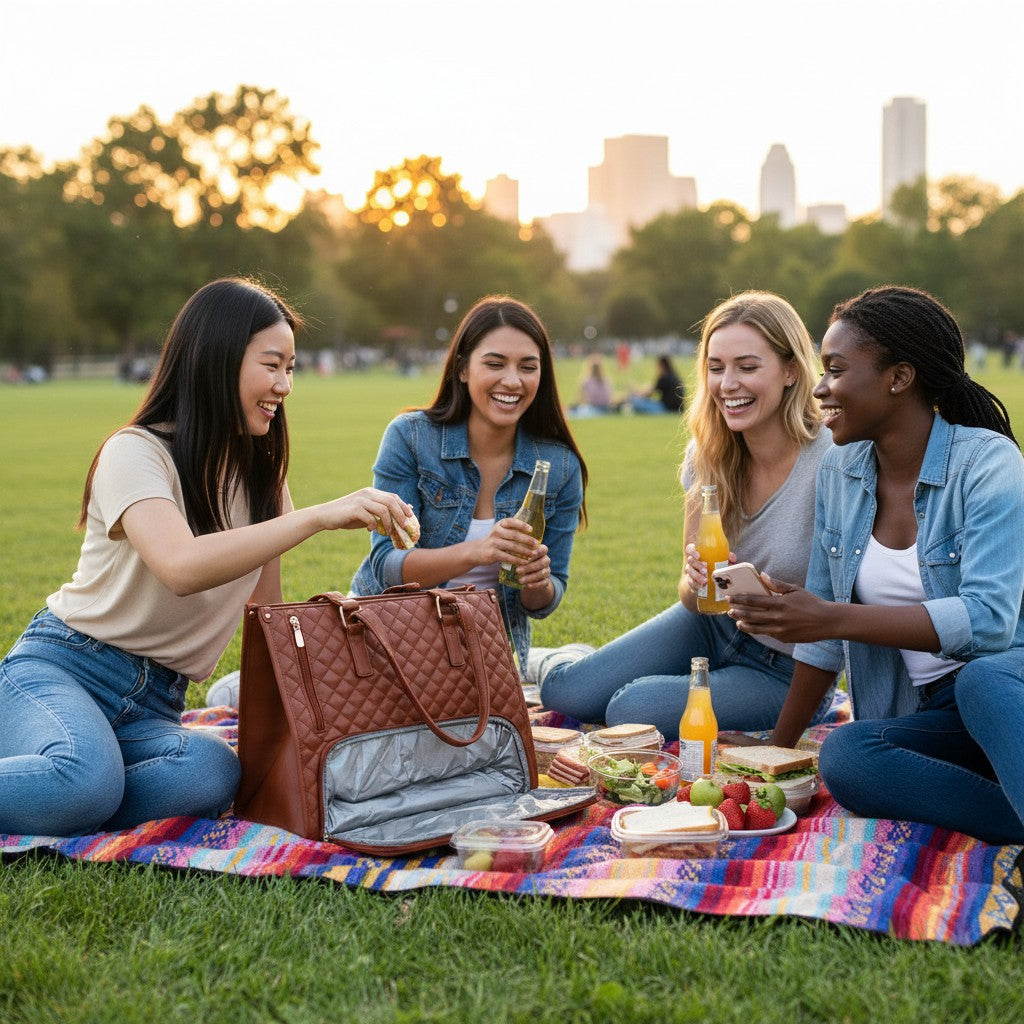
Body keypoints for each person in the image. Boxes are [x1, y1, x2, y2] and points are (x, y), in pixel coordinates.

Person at [0, 278, 412, 837]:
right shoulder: (136, 452)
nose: (285, 385)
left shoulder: (264, 482)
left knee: (213, 772)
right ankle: (76, 783)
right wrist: (315, 517)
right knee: (82, 783)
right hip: (65, 669)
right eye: (272, 365)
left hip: (155, 706)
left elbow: (267, 625)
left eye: (291, 368)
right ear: (216, 360)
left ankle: (73, 786)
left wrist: (330, 632)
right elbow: (181, 567)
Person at [727, 286, 1024, 845]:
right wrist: (775, 752)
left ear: (899, 377)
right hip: (938, 712)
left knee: (982, 681)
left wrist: (834, 617)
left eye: (836, 370)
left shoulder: (987, 463)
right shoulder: (841, 471)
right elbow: (820, 638)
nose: (819, 389)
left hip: (1010, 686)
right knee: (848, 753)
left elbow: (988, 621)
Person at [530, 291, 836, 740]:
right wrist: (694, 583)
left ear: (791, 370)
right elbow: (693, 597)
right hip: (711, 626)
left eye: (747, 367)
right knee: (566, 694)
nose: (727, 384)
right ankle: (565, 658)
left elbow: (843, 609)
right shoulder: (709, 452)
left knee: (629, 708)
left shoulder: (830, 458)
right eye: (716, 368)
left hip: (784, 668)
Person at [350, 295, 588, 674]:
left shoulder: (559, 466)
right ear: (462, 369)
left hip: (488, 652)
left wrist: (537, 581)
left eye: (528, 367)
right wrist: (479, 551)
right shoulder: (411, 438)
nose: (512, 381)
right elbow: (386, 567)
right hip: (388, 637)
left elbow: (545, 601)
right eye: (495, 364)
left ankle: (554, 661)